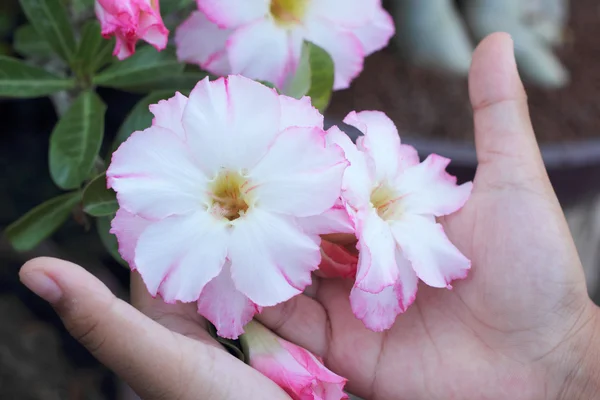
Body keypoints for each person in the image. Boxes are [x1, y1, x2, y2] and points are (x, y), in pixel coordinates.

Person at [18, 33, 600, 399]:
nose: (232, 204)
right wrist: (566, 364)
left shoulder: (320, 185)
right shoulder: (249, 165)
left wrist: (573, 361)